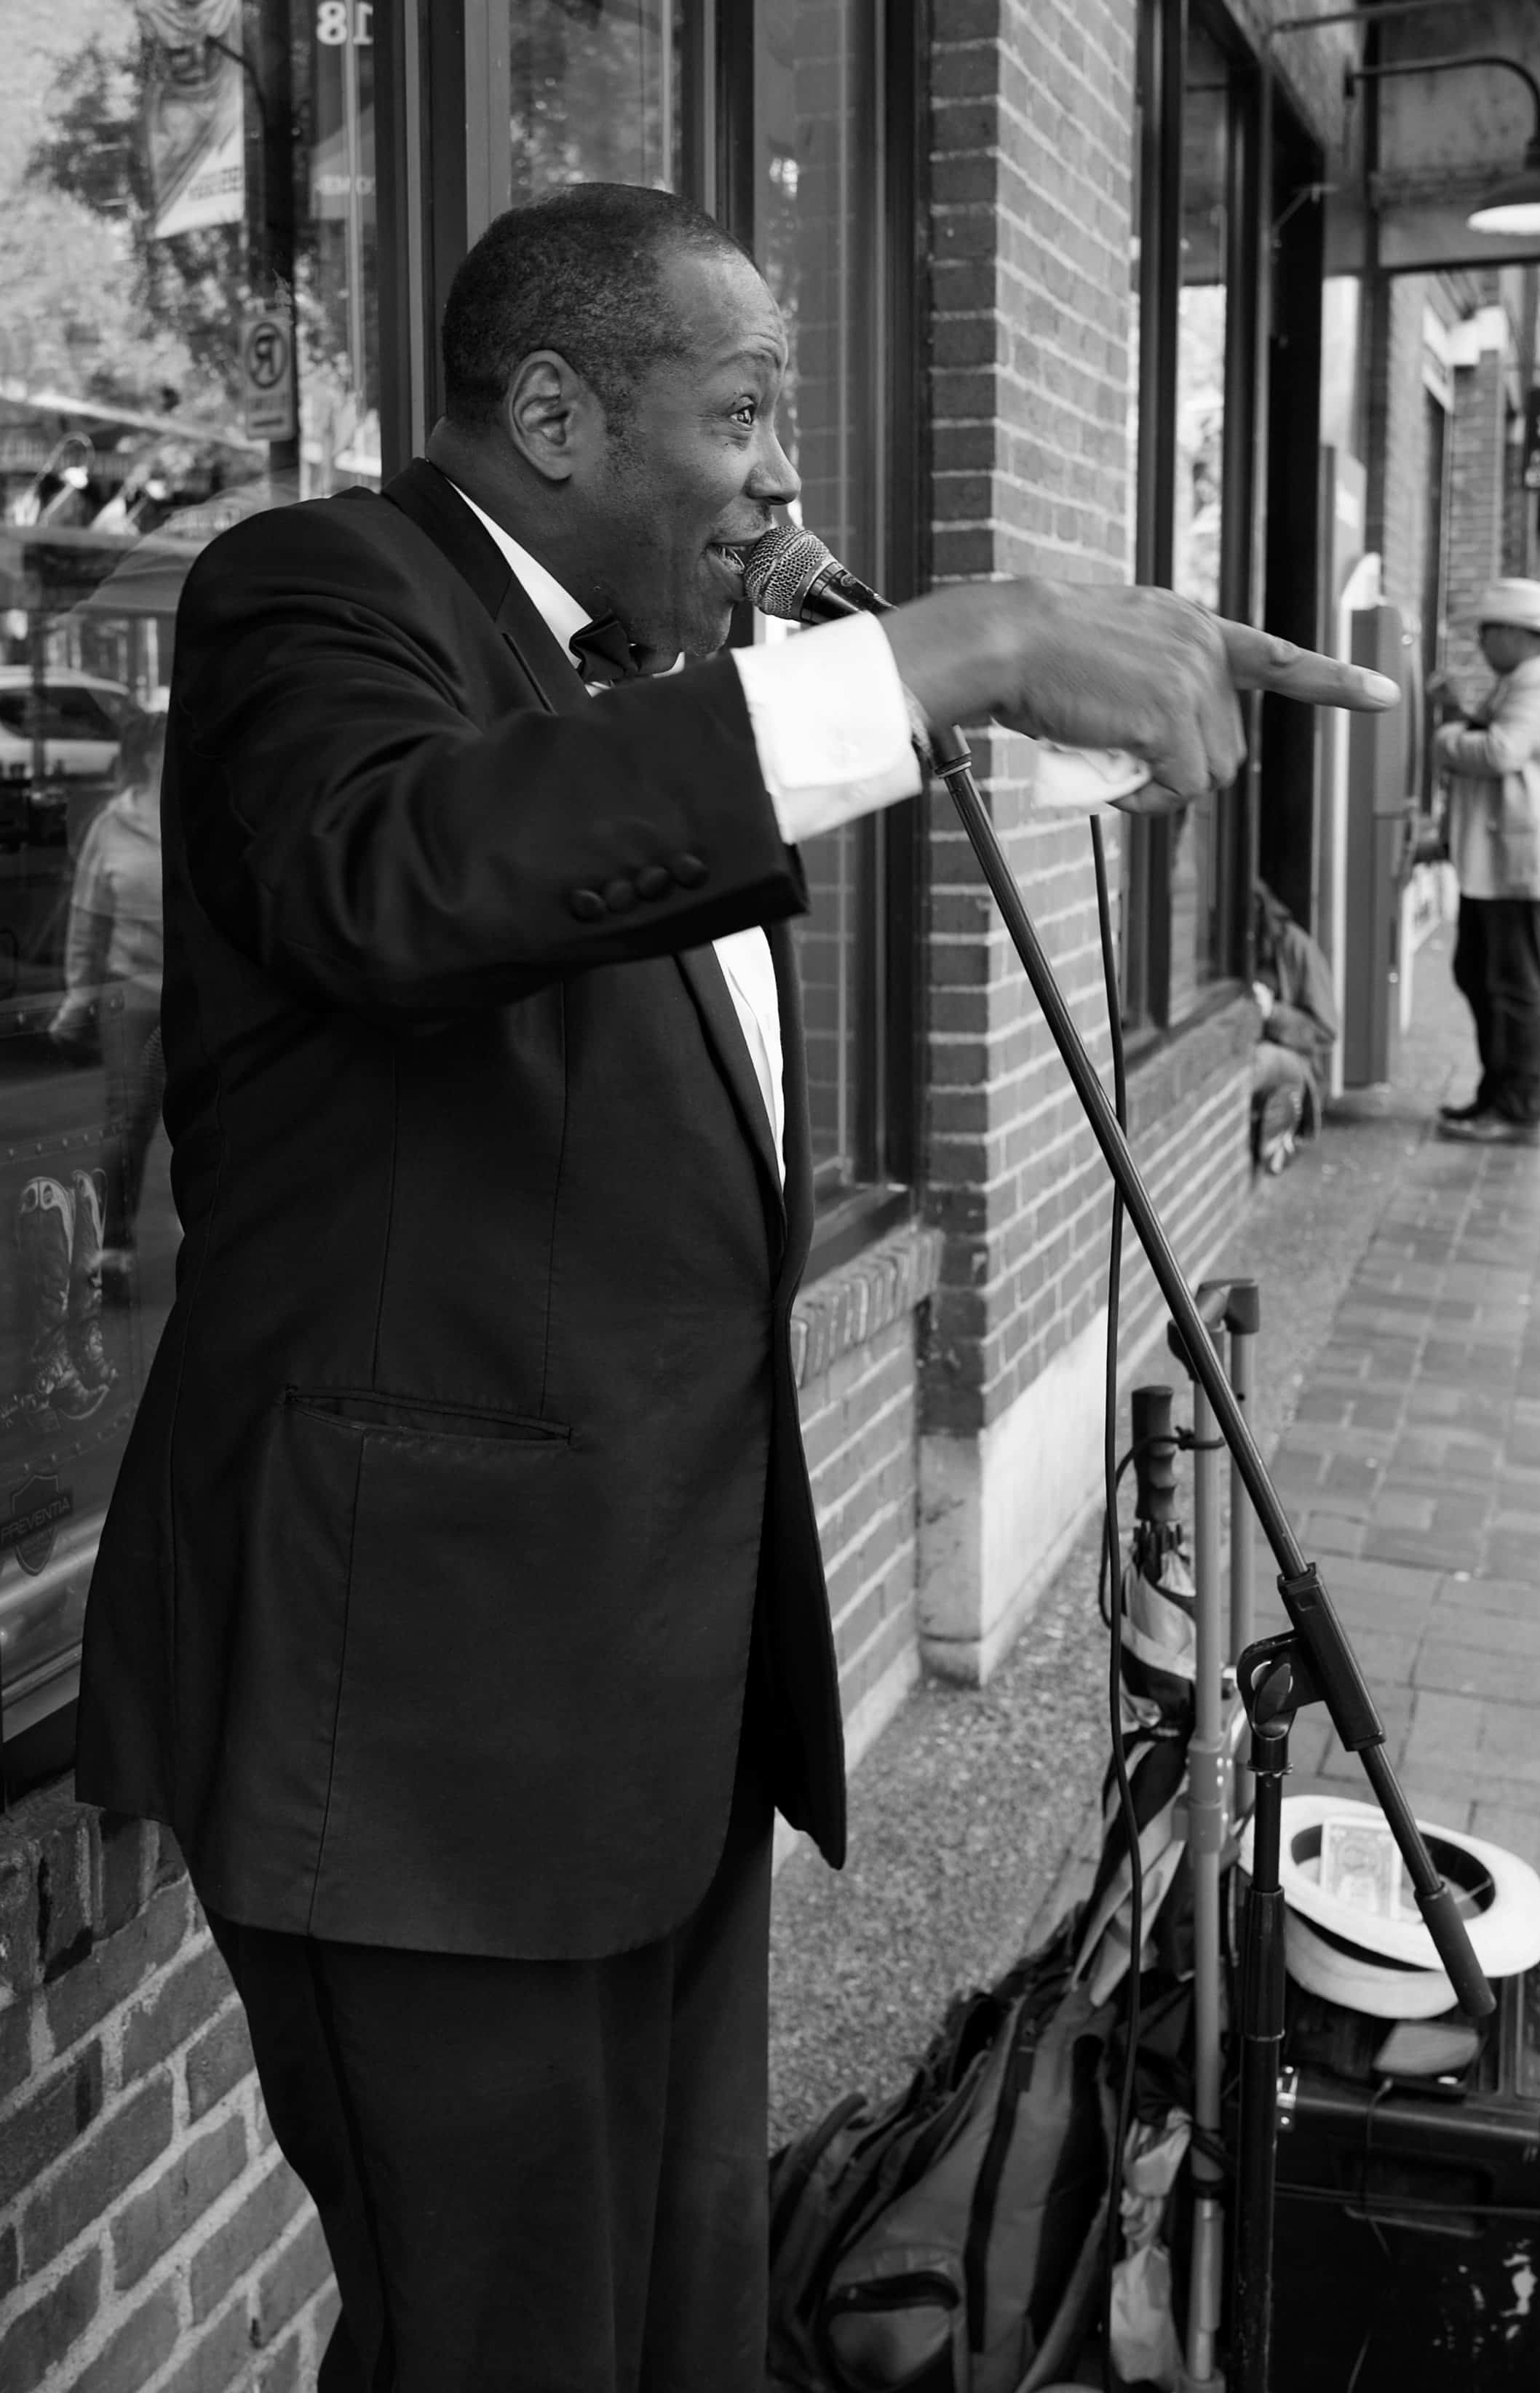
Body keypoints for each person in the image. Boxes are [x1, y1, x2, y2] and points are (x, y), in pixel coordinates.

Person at [73, 184, 1397, 2393]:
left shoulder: (654, 690)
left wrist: (1007, 690)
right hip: (417, 1736)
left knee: (675, 2314)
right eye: (745, 411)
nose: (786, 473)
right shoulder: (316, 590)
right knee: (503, 2338)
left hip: (648, 1697)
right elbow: (405, 875)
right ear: (555, 415)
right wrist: (953, 646)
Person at [1432, 577, 1540, 1149]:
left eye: (1484, 632)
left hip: (1519, 862)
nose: (1479, 644)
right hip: (1498, 858)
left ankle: (1517, 1109)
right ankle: (1496, 1094)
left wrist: (1445, 734)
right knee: (1480, 974)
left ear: (1513, 633)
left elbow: (1501, 751)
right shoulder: (1529, 676)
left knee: (1513, 987)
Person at [49, 709, 168, 1275]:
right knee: (129, 1120)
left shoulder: (202, 814)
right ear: (151, 757)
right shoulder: (112, 826)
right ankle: (114, 1245)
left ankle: (217, 1239)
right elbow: (88, 917)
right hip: (134, 992)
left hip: (200, 994)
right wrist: (78, 994)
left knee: (216, 1118)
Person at [1249, 878, 1338, 1175]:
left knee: (1254, 1062)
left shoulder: (1297, 947)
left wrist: (1272, 1012)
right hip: (1259, 1046)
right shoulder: (1238, 948)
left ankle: (1292, 1116)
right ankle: (1278, 1128)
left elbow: (1326, 1031)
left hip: (1295, 1061)